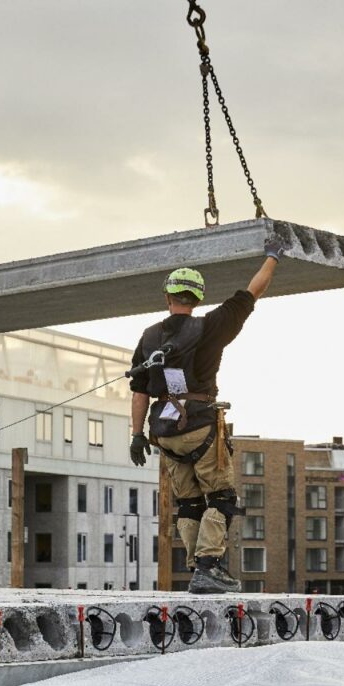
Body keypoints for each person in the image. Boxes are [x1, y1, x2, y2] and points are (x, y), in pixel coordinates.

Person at [128, 237, 286, 594]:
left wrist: (136, 435)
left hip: (164, 430)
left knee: (188, 501)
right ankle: (209, 566)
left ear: (168, 298)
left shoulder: (150, 336)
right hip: (198, 425)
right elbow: (253, 291)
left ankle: (199, 564)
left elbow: (139, 390)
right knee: (222, 497)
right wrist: (273, 256)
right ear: (197, 298)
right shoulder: (212, 326)